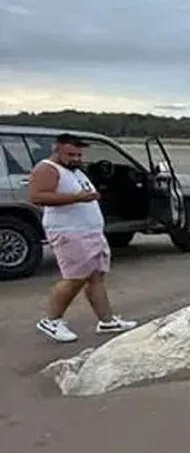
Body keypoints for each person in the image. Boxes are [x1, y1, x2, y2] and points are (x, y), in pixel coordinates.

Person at [29, 133, 136, 342]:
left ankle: (107, 320)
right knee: (74, 278)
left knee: (95, 276)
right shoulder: (47, 169)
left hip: (89, 231)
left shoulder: (73, 170)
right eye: (70, 154)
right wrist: (79, 198)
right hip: (70, 232)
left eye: (79, 154)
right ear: (56, 149)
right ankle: (51, 320)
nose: (76, 158)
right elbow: (37, 196)